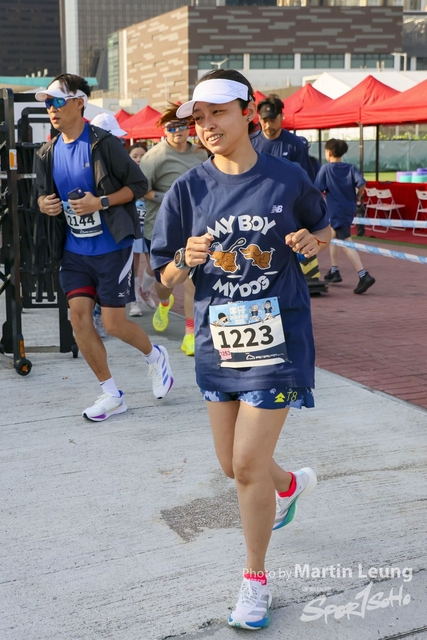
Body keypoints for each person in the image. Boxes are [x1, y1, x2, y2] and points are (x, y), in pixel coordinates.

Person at [150, 68, 331, 630]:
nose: (206, 126)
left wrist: (312, 241)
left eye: (218, 113)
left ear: (248, 112)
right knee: (232, 465)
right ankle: (289, 486)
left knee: (248, 464)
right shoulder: (188, 189)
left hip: (278, 338)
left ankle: (255, 581)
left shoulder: (287, 177)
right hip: (218, 341)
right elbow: (162, 281)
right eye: (199, 118)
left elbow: (324, 232)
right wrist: (184, 261)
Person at [35, 73, 174, 421]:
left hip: (112, 246)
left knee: (113, 324)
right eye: (48, 103)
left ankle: (155, 356)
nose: (52, 109)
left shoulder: (103, 143)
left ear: (79, 103)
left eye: (58, 101)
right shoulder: (47, 152)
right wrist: (43, 204)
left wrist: (101, 202)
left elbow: (138, 185)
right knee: (79, 319)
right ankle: (111, 394)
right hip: (74, 251)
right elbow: (40, 195)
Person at [140, 104, 208, 356]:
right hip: (160, 227)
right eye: (171, 127)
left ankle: (190, 334)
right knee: (165, 284)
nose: (178, 131)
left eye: (182, 125)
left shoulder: (201, 154)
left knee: (191, 282)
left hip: (194, 227)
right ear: (164, 130)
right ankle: (164, 302)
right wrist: (168, 198)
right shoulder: (153, 157)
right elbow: (139, 189)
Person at [314, 138, 375, 294]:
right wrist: (359, 196)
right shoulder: (350, 168)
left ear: (328, 152)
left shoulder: (326, 169)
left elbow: (317, 190)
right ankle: (334, 270)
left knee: (346, 241)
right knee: (334, 238)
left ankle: (363, 275)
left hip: (335, 210)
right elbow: (362, 183)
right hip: (348, 209)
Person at [89, 112, 129, 336]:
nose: (114, 144)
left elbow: (137, 186)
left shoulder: (121, 159)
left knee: (111, 278)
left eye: (117, 140)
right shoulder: (84, 157)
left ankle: (103, 316)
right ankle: (96, 316)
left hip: (115, 230)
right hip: (88, 232)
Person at [251, 94, 315, 181]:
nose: (268, 125)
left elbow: (306, 179)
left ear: (281, 116)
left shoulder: (295, 144)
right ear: (259, 118)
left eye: (273, 120)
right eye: (265, 120)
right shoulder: (250, 143)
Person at [127, 143, 157, 316]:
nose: (139, 159)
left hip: (151, 226)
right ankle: (134, 301)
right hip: (132, 227)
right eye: (135, 156)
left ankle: (144, 290)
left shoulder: (153, 174)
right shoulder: (125, 176)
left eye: (142, 156)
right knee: (133, 265)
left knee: (155, 264)